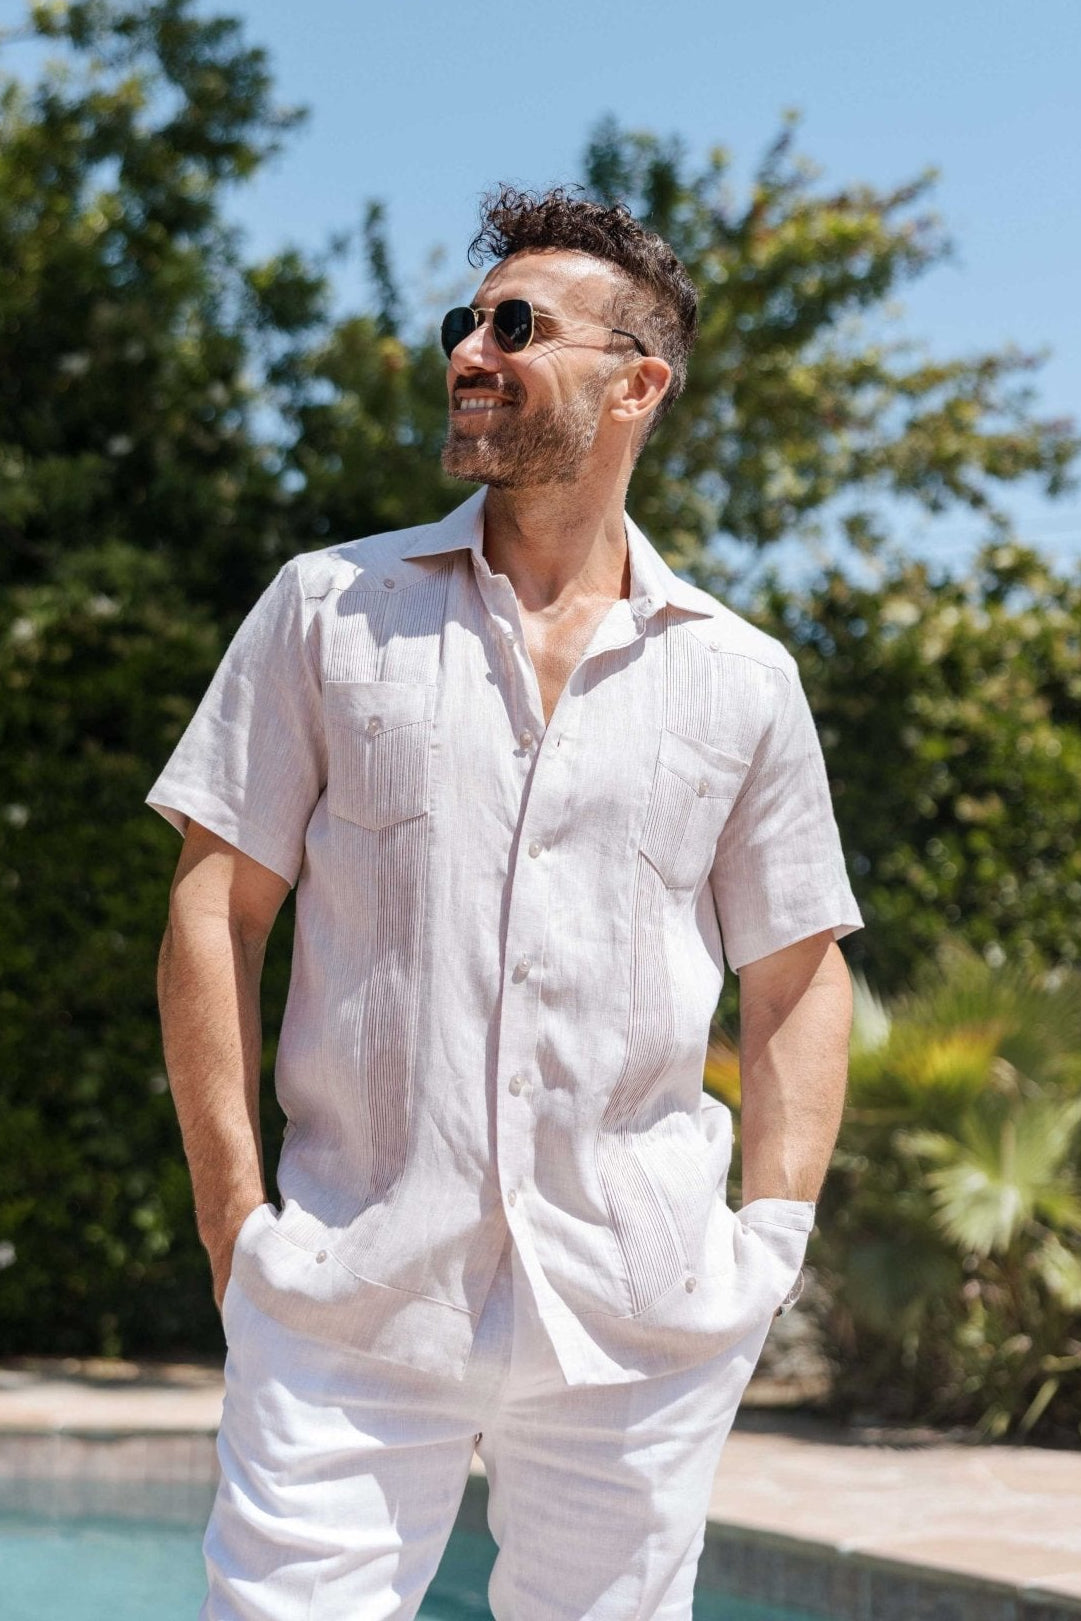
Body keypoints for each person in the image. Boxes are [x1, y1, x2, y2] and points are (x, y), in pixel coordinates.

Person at [150, 185, 863, 1621]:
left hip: (638, 1311)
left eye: (516, 325)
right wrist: (241, 1228)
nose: (471, 351)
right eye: (464, 323)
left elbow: (796, 975)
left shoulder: (741, 676)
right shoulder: (324, 610)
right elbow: (213, 912)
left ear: (635, 385)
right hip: (352, 1290)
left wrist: (767, 1247)